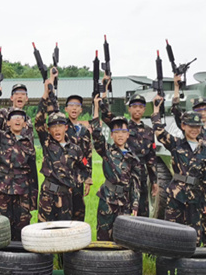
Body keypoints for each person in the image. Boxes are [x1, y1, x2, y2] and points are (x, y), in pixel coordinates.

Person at [152, 95, 206, 244]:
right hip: (176, 195)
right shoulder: (176, 144)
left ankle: (192, 257)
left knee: (193, 235)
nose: (194, 129)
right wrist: (156, 111)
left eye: (197, 126)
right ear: (183, 126)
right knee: (171, 232)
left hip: (195, 197)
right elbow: (160, 133)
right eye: (191, 126)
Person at [171, 74, 206, 247]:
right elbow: (176, 112)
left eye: (205, 109)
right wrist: (176, 88)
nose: (202, 112)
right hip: (188, 182)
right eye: (198, 110)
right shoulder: (189, 129)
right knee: (190, 217)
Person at [0, 89, 38, 240]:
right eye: (13, 117)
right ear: (8, 122)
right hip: (4, 190)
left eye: (20, 118)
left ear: (25, 123)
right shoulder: (1, 137)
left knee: (22, 226)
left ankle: (21, 253)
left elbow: (33, 172)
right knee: (3, 226)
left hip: (23, 191)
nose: (17, 120)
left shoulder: (28, 144)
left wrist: (33, 198)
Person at [100, 77, 157, 217]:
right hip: (124, 178)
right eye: (134, 106)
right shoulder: (122, 127)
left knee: (142, 216)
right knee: (124, 215)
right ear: (129, 108)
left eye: (141, 107)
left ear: (144, 109)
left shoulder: (149, 131)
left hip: (141, 179)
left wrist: (154, 182)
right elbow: (105, 114)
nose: (137, 109)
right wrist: (104, 90)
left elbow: (151, 159)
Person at [35, 71, 86, 222]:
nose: (57, 130)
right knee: (44, 230)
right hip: (48, 195)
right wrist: (45, 94)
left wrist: (74, 183)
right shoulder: (47, 143)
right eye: (53, 127)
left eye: (60, 126)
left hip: (66, 196)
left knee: (64, 230)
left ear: (66, 128)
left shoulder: (75, 149)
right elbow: (38, 121)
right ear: (49, 129)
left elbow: (84, 168)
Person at [92, 94, 141, 241]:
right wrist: (96, 108)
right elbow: (96, 135)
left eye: (123, 132)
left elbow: (136, 183)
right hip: (107, 200)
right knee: (103, 237)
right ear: (112, 135)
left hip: (124, 202)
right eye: (116, 132)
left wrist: (135, 204)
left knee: (122, 238)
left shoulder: (134, 158)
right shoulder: (106, 151)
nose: (120, 135)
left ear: (128, 135)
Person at [64, 94, 93, 221]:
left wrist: (88, 178)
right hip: (64, 176)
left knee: (78, 211)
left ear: (81, 109)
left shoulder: (84, 131)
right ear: (66, 109)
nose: (74, 108)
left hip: (79, 177)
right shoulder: (61, 127)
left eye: (77, 105)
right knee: (64, 212)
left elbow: (88, 155)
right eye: (71, 105)